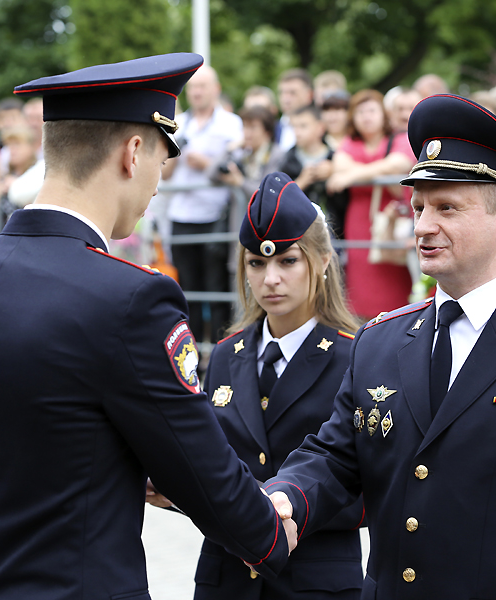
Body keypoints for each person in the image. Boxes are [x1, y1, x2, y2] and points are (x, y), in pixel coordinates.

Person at [0, 53, 296, 599]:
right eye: (160, 165)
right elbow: (200, 472)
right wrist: (270, 535)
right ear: (133, 151)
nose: (156, 187)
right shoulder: (130, 297)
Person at [264, 94, 496, 599]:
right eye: (418, 208)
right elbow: (335, 457)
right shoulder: (379, 340)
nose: (423, 226)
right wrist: (285, 497)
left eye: (447, 208)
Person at [150, 172, 365, 599]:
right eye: (257, 262)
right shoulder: (227, 356)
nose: (270, 279)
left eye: (287, 261)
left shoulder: (355, 356)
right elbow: (211, 462)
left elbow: (365, 485)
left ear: (322, 262)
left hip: (312, 580)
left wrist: (271, 506)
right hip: (226, 579)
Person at [164, 65, 243, 343]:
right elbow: (163, 172)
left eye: (202, 86)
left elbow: (237, 169)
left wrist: (206, 164)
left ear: (216, 89)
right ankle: (192, 355)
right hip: (181, 216)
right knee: (187, 292)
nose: (196, 92)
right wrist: (175, 153)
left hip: (215, 217)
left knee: (217, 290)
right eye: (193, 87)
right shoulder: (177, 123)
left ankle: (221, 352)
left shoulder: (231, 124)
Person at [326, 89, 415, 319]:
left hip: (390, 219)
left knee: (395, 282)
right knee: (360, 283)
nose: (366, 116)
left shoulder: (398, 138)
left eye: (372, 110)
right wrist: (374, 171)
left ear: (383, 114)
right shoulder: (349, 143)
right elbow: (339, 166)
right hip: (358, 221)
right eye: (360, 111)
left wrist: (353, 175)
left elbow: (400, 163)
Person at [277, 69, 314, 151]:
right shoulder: (273, 129)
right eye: (282, 93)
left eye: (292, 93)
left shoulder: (319, 128)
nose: (286, 99)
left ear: (309, 95)